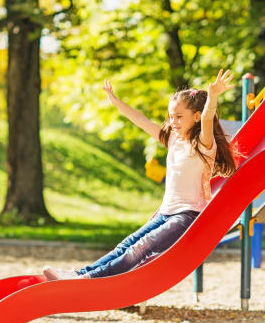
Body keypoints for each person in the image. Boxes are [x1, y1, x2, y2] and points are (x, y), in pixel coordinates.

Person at [43, 69, 237, 280]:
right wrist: (116, 102)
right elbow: (142, 120)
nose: (173, 121)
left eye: (179, 117)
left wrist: (213, 97)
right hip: (165, 212)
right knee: (126, 244)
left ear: (196, 117)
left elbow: (209, 118)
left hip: (187, 216)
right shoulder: (173, 139)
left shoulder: (203, 144)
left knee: (141, 247)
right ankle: (80, 273)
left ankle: (89, 279)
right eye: (171, 116)